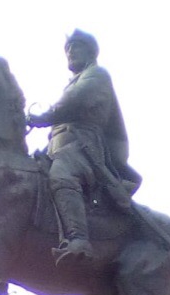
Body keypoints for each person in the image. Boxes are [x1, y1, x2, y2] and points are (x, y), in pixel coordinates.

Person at [27, 29, 140, 264]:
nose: (70, 53)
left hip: (84, 148)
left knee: (61, 176)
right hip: (57, 148)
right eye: (67, 50)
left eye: (75, 48)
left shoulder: (96, 75)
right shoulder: (74, 82)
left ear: (90, 51)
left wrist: (44, 116)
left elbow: (75, 101)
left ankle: (79, 240)